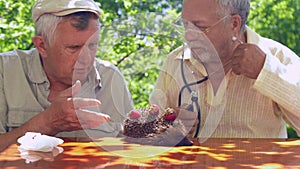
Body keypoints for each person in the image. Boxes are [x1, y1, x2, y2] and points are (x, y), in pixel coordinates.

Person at [150, 0, 300, 140]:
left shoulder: (278, 57)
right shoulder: (175, 61)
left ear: (234, 24)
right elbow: (149, 131)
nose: (188, 36)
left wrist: (266, 72)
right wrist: (167, 125)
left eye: (200, 27)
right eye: (185, 25)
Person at [0, 0, 134, 151]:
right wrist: (47, 122)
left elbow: (131, 150)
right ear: (42, 46)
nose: (86, 58)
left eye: (92, 45)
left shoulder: (111, 78)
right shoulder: (5, 71)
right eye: (74, 48)